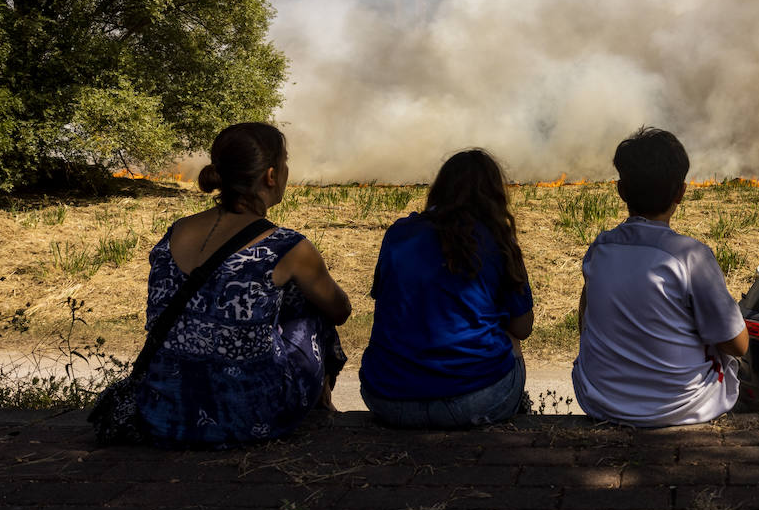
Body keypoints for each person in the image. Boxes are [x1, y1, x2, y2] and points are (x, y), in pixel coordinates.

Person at [138, 123, 351, 447]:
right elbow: (340, 310)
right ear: (270, 175)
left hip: (163, 412)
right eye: (284, 162)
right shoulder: (288, 247)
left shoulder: (177, 230)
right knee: (311, 303)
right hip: (249, 419)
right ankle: (322, 404)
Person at [572, 127, 749, 427]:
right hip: (682, 408)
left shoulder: (600, 249)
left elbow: (584, 321)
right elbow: (738, 344)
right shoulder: (691, 256)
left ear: (621, 191)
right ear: (681, 192)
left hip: (599, 400)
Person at [360, 149, 534, 428]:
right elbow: (523, 328)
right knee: (509, 338)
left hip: (388, 400)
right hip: (474, 401)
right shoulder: (498, 241)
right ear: (493, 196)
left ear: (440, 189)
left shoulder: (399, 233)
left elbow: (387, 300)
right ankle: (513, 408)